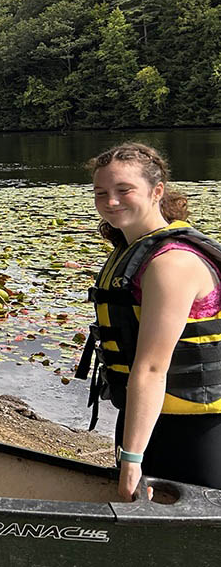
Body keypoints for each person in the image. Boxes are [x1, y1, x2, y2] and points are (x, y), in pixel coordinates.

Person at [76, 142, 221, 499]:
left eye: (124, 190)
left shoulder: (171, 264)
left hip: (197, 430)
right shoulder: (132, 252)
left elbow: (153, 367)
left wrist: (131, 458)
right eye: (101, 193)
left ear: (157, 191)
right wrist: (132, 452)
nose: (111, 202)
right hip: (145, 418)